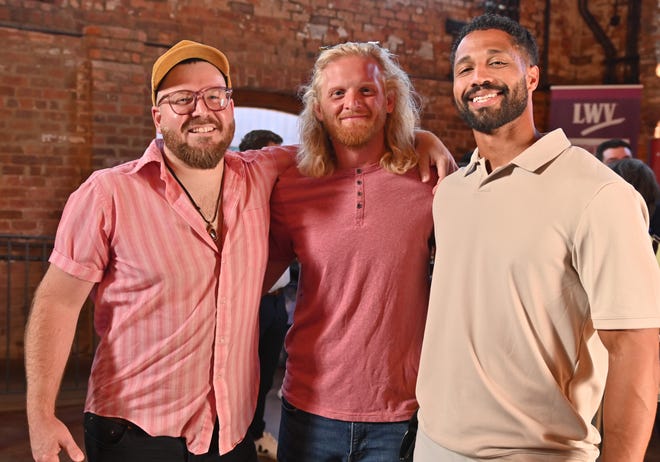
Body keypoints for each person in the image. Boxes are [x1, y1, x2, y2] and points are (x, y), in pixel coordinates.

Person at [24, 40, 291, 462]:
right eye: (181, 99)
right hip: (134, 435)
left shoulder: (264, 173)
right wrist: (40, 414)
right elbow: (57, 301)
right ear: (157, 116)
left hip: (231, 434)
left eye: (214, 96)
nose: (201, 110)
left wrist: (418, 138)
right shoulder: (107, 193)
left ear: (230, 106)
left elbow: (342, 144)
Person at [415, 14, 660, 462]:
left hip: (538, 452)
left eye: (496, 62)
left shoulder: (600, 193)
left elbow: (634, 347)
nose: (479, 77)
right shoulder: (450, 192)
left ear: (531, 77)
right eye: (464, 68)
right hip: (433, 444)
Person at [265, 41, 458, 462]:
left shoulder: (431, 177)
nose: (352, 103)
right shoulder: (293, 185)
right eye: (337, 93)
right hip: (310, 409)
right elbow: (255, 279)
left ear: (389, 100)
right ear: (318, 108)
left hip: (403, 412)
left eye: (365, 91)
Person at [238, 129, 288, 460]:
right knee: (243, 376)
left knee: (266, 374)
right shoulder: (243, 202)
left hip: (276, 302)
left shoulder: (285, 200)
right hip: (250, 302)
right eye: (271, 156)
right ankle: (237, 440)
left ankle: (255, 435)